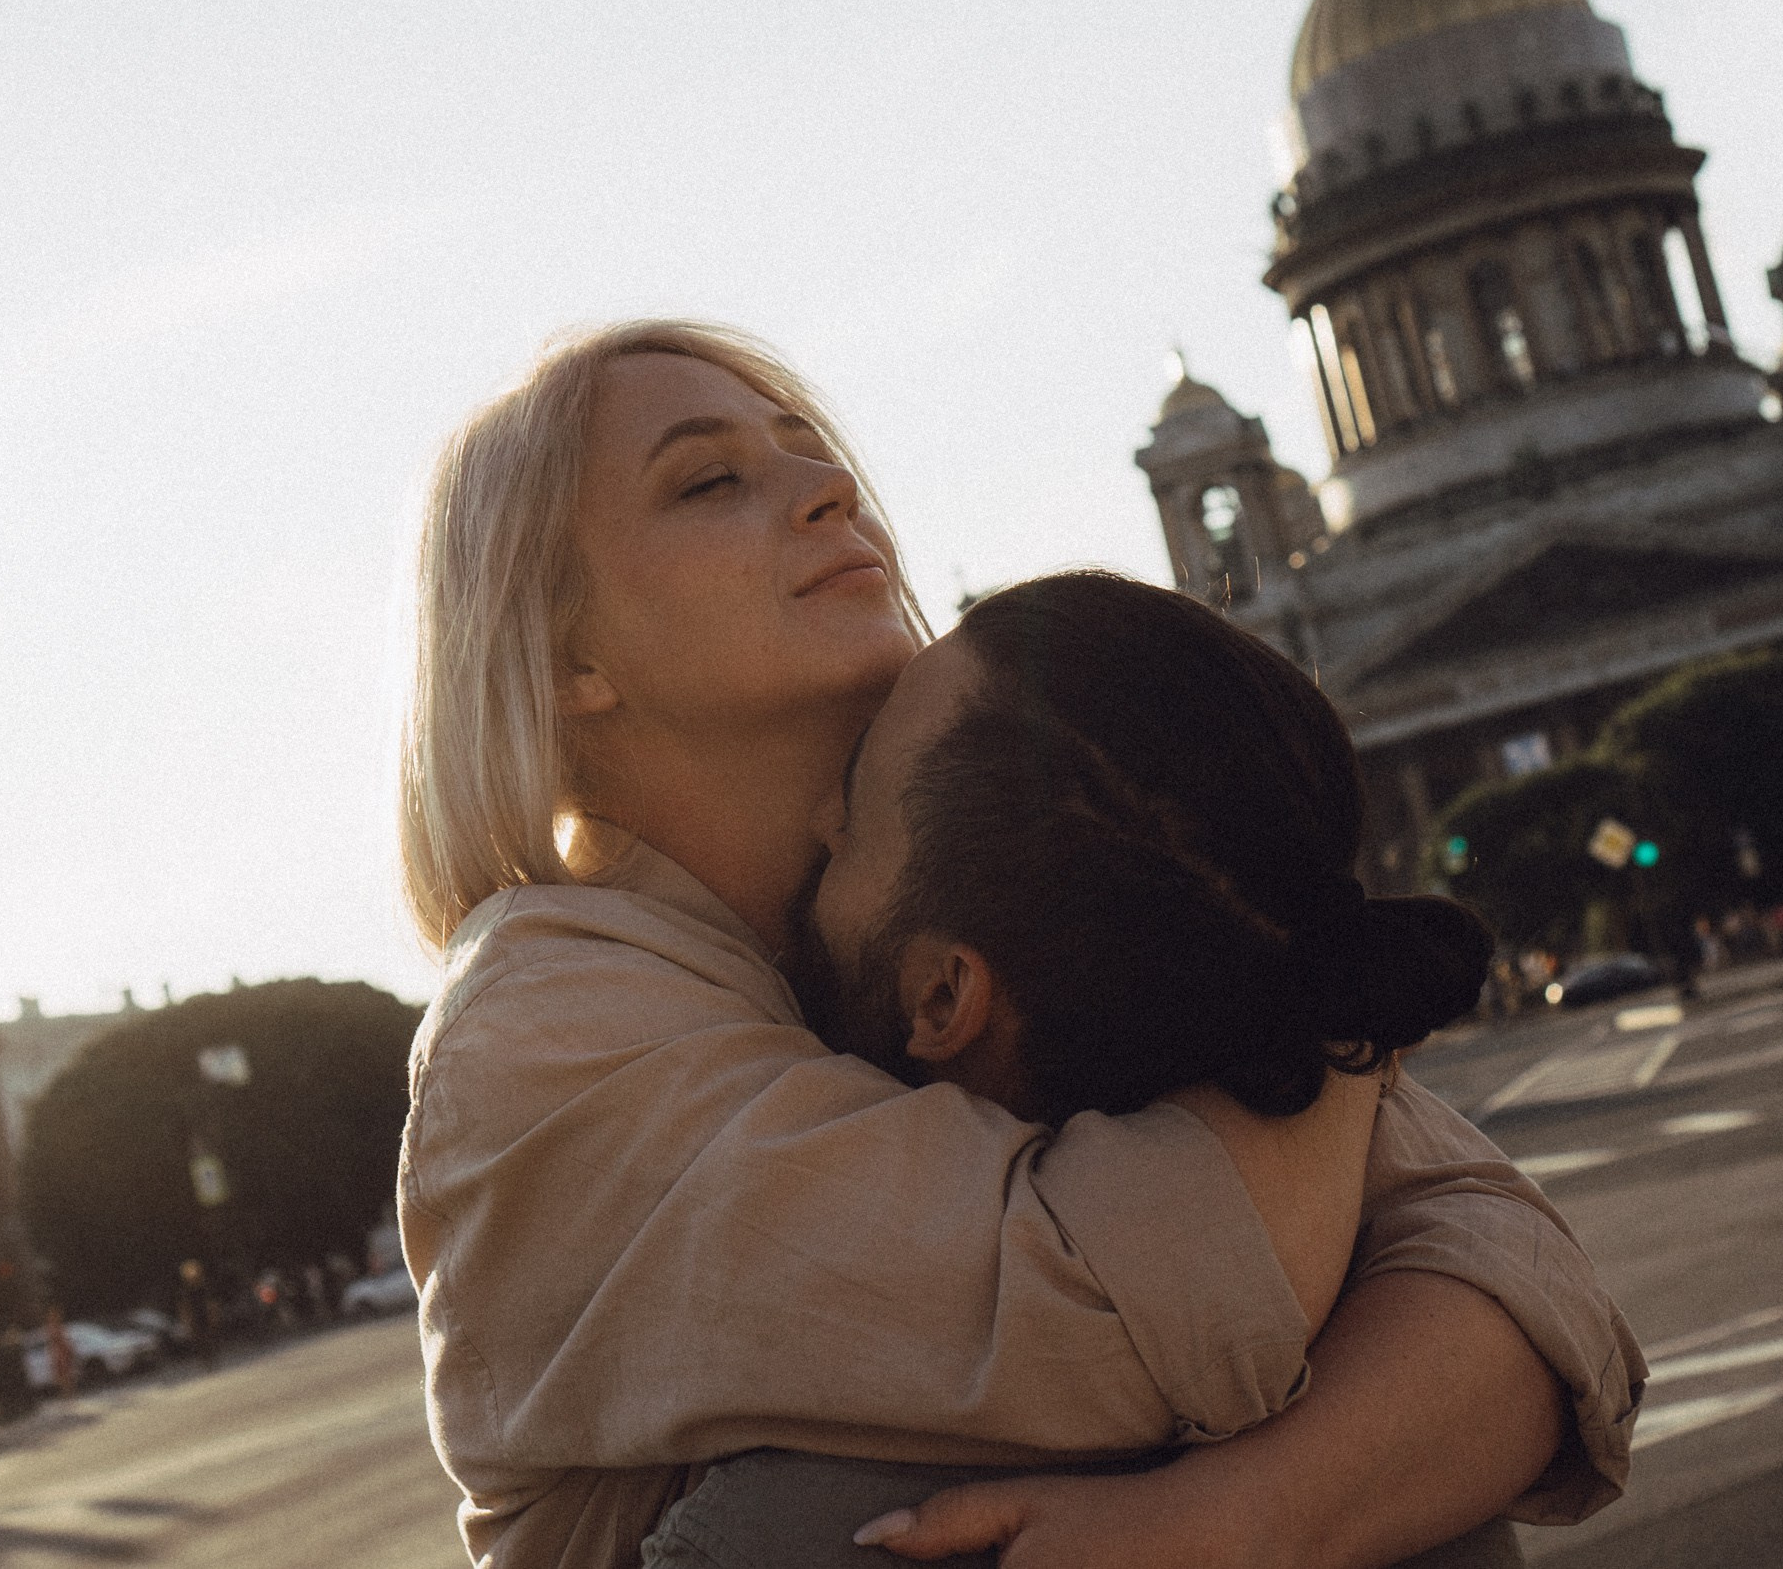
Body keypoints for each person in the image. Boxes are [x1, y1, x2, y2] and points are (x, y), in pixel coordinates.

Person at [397, 322, 1644, 1569]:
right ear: (566, 660)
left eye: (808, 451)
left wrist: (1236, 1517)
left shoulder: (978, 887)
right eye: (710, 480)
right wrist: (1309, 961)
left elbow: (1528, 1302)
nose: (829, 488)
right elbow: (1121, 1321)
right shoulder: (540, 1027)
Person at [641, 570, 1536, 1567]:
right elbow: (1539, 1295)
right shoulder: (1405, 1422)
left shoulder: (797, 1523)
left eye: (851, 813)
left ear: (944, 997)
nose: (816, 821)